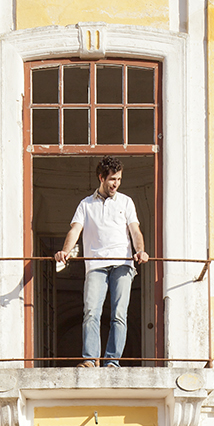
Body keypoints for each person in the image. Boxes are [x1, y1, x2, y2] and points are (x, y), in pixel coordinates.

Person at [55, 156, 148, 367]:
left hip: (123, 264)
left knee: (119, 314)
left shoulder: (126, 202)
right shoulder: (86, 204)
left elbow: (135, 230)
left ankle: (112, 361)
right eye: (112, 179)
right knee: (91, 312)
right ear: (101, 178)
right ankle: (90, 359)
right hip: (96, 265)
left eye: (119, 179)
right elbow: (75, 229)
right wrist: (65, 251)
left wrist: (140, 251)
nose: (116, 183)